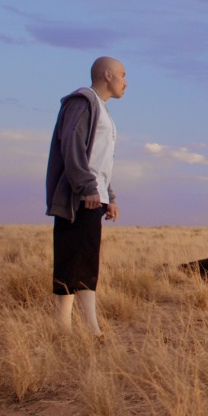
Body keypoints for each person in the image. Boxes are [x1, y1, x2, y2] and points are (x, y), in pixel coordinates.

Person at [44, 56, 126, 336]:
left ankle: (65, 330)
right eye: (122, 75)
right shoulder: (82, 102)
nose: (126, 82)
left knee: (80, 262)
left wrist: (109, 197)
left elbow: (100, 161)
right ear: (107, 75)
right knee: (76, 263)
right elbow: (72, 146)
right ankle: (90, 332)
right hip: (78, 198)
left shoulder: (102, 109)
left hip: (93, 196)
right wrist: (87, 188)